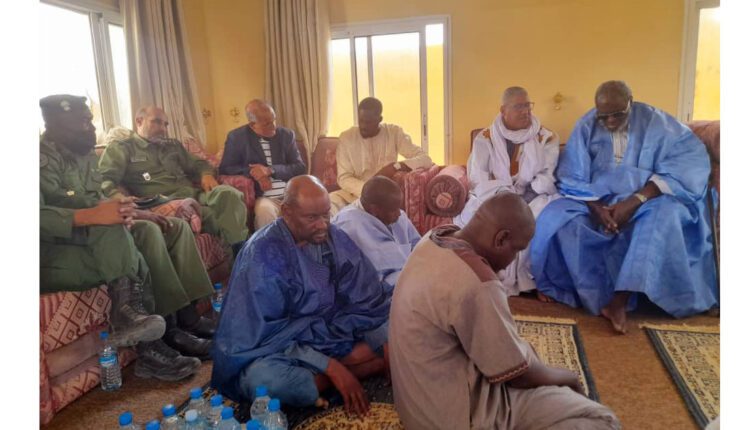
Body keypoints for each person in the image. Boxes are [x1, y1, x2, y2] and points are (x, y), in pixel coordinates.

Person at [389, 192, 620, 430]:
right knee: (600, 419)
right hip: (449, 418)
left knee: (526, 352)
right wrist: (568, 377)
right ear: (500, 239)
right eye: (516, 250)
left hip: (416, 404)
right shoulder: (478, 283)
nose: (514, 259)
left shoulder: (435, 238)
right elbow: (518, 375)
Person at [40, 95, 212, 380]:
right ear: (56, 123)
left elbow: (95, 198)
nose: (90, 128)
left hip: (87, 238)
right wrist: (92, 216)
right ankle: (148, 340)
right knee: (121, 238)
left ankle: (172, 324)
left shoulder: (83, 154)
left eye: (90, 121)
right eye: (82, 122)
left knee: (151, 229)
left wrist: (138, 213)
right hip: (51, 253)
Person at [529, 81, 718, 334]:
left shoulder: (659, 123)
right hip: (598, 199)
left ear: (631, 101)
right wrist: (598, 209)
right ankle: (593, 295)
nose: (609, 122)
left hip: (650, 198)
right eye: (603, 116)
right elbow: (572, 174)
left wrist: (634, 202)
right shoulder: (587, 124)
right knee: (559, 218)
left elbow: (688, 163)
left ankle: (618, 301)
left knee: (663, 218)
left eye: (617, 114)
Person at [211, 175, 391, 417]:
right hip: (284, 346)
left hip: (333, 330)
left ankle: (335, 373)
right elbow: (266, 335)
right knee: (264, 383)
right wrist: (330, 366)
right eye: (312, 218)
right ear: (286, 212)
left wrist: (384, 340)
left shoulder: (333, 237)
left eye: (326, 215)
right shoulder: (262, 257)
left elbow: (367, 295)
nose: (323, 225)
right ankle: (351, 370)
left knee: (398, 324)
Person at [454, 86, 560, 298]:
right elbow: (478, 177)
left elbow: (547, 176)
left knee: (541, 216)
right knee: (473, 215)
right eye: (518, 106)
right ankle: (480, 274)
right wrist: (505, 194)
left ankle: (532, 280)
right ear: (503, 110)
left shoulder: (546, 137)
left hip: (533, 195)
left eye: (528, 105)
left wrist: (525, 194)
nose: (525, 111)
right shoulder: (485, 138)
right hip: (495, 195)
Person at [98, 106, 248, 254]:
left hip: (194, 194)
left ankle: (242, 252)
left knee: (228, 194)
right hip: (166, 200)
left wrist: (206, 174)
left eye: (165, 124)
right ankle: (241, 254)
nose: (163, 129)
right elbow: (104, 179)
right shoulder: (122, 148)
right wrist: (117, 197)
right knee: (219, 217)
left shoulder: (172, 146)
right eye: (157, 122)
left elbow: (198, 163)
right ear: (139, 121)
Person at [329, 97, 433, 212]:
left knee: (381, 211)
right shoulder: (347, 137)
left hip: (383, 197)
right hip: (352, 194)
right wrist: (368, 191)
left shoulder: (393, 133)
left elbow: (426, 159)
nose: (363, 126)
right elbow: (344, 178)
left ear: (379, 119)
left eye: (368, 122)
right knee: (330, 202)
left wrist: (395, 166)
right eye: (361, 121)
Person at [219, 99, 306, 229]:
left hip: (291, 195)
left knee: (313, 207)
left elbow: (300, 167)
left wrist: (270, 170)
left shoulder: (286, 135)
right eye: (267, 124)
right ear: (252, 124)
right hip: (266, 198)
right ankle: (267, 242)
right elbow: (226, 168)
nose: (273, 126)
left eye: (274, 120)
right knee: (265, 212)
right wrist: (255, 173)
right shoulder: (237, 138)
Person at [332, 176, 420, 292]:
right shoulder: (346, 227)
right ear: (374, 209)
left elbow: (419, 248)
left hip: (411, 278)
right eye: (394, 210)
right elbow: (359, 281)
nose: (399, 214)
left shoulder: (399, 217)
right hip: (377, 293)